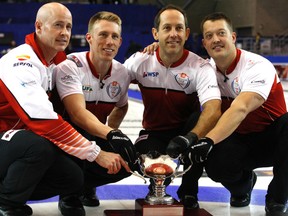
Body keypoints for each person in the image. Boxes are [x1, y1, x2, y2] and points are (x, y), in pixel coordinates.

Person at [0, 3, 132, 216]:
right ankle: (6, 202)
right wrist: (96, 153)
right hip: (8, 137)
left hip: (17, 140)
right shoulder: (21, 61)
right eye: (58, 25)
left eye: (68, 27)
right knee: (39, 147)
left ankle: (16, 190)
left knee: (71, 177)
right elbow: (42, 119)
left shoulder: (55, 61)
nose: (64, 32)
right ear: (39, 26)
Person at [187, 12, 288, 215]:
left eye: (221, 33)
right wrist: (154, 49)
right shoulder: (205, 69)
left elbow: (240, 108)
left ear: (233, 37)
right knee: (216, 166)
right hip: (239, 140)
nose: (215, 39)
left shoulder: (258, 66)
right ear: (204, 44)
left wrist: (208, 141)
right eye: (209, 36)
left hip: (272, 140)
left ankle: (278, 198)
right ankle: (243, 186)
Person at [124, 4, 222, 209]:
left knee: (200, 124)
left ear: (186, 33)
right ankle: (157, 186)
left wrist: (190, 138)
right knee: (140, 157)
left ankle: (189, 191)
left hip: (186, 132)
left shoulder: (200, 66)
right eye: (167, 28)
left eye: (179, 28)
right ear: (155, 33)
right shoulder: (140, 61)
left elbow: (213, 108)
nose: (173, 34)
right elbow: (113, 84)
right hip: (154, 132)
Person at [55, 11, 137, 208]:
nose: (109, 41)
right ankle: (69, 193)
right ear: (89, 38)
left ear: (120, 42)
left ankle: (84, 186)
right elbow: (77, 114)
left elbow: (122, 106)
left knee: (129, 161)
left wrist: (110, 131)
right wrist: (111, 134)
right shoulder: (70, 66)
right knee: (82, 136)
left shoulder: (122, 72)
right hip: (64, 137)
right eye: (103, 35)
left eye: (114, 36)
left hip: (93, 133)